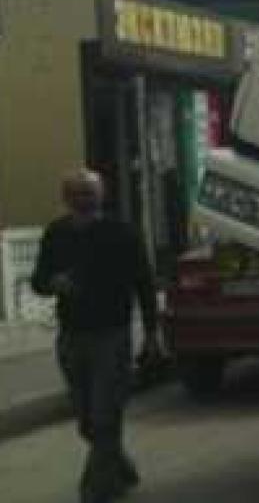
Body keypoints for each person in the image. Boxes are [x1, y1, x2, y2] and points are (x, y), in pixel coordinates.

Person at [31, 169, 162, 503]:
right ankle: (120, 466)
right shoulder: (56, 233)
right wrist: (53, 283)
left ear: (101, 195)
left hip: (111, 334)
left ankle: (95, 489)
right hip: (72, 335)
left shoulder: (121, 233)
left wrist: (151, 333)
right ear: (66, 199)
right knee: (87, 420)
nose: (84, 200)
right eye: (77, 194)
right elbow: (38, 280)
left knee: (106, 414)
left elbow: (145, 283)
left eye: (90, 193)